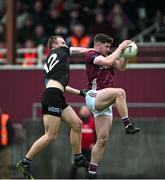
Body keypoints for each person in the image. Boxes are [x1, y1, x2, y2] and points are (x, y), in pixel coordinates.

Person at [16, 35, 92, 179]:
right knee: (51, 135)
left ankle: (78, 157)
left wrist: (80, 93)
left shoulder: (48, 65)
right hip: (53, 97)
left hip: (55, 95)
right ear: (54, 46)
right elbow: (79, 51)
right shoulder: (61, 51)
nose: (65, 44)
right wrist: (93, 50)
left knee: (77, 124)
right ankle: (25, 162)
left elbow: (59, 85)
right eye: (62, 43)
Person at [83, 33, 140, 178]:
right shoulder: (92, 55)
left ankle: (91, 172)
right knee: (120, 92)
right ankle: (127, 125)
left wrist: (126, 55)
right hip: (94, 96)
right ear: (98, 45)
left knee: (102, 140)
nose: (108, 49)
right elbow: (108, 62)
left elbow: (121, 67)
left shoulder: (108, 57)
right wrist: (120, 47)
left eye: (110, 47)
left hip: (104, 100)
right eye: (106, 46)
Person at [70, 105, 95, 178]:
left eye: (86, 111)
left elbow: (97, 134)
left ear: (89, 112)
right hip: (78, 149)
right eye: (83, 111)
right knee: (74, 166)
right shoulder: (76, 122)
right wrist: (76, 145)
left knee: (88, 166)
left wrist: (94, 144)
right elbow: (70, 134)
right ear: (80, 112)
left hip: (89, 149)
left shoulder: (93, 122)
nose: (85, 112)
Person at [0, 108, 14, 179]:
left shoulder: (5, 119)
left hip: (4, 147)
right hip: (3, 146)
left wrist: (8, 143)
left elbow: (11, 132)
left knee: (4, 167)